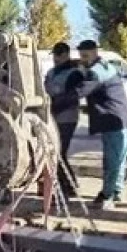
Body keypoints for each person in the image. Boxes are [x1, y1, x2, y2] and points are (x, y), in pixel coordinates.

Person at [66, 39, 127, 210]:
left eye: (86, 56)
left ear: (95, 52)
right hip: (118, 118)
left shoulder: (97, 72)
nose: (83, 59)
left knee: (112, 161)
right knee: (118, 159)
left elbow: (80, 91)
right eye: (81, 56)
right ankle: (116, 191)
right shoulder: (102, 66)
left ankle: (107, 196)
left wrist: (54, 102)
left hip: (113, 120)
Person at [44, 41, 83, 198]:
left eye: (59, 55)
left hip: (67, 117)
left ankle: (68, 186)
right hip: (52, 117)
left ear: (66, 55)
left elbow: (72, 97)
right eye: (54, 55)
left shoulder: (74, 73)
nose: (56, 58)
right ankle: (67, 185)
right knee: (55, 152)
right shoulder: (51, 72)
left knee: (59, 152)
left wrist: (54, 106)